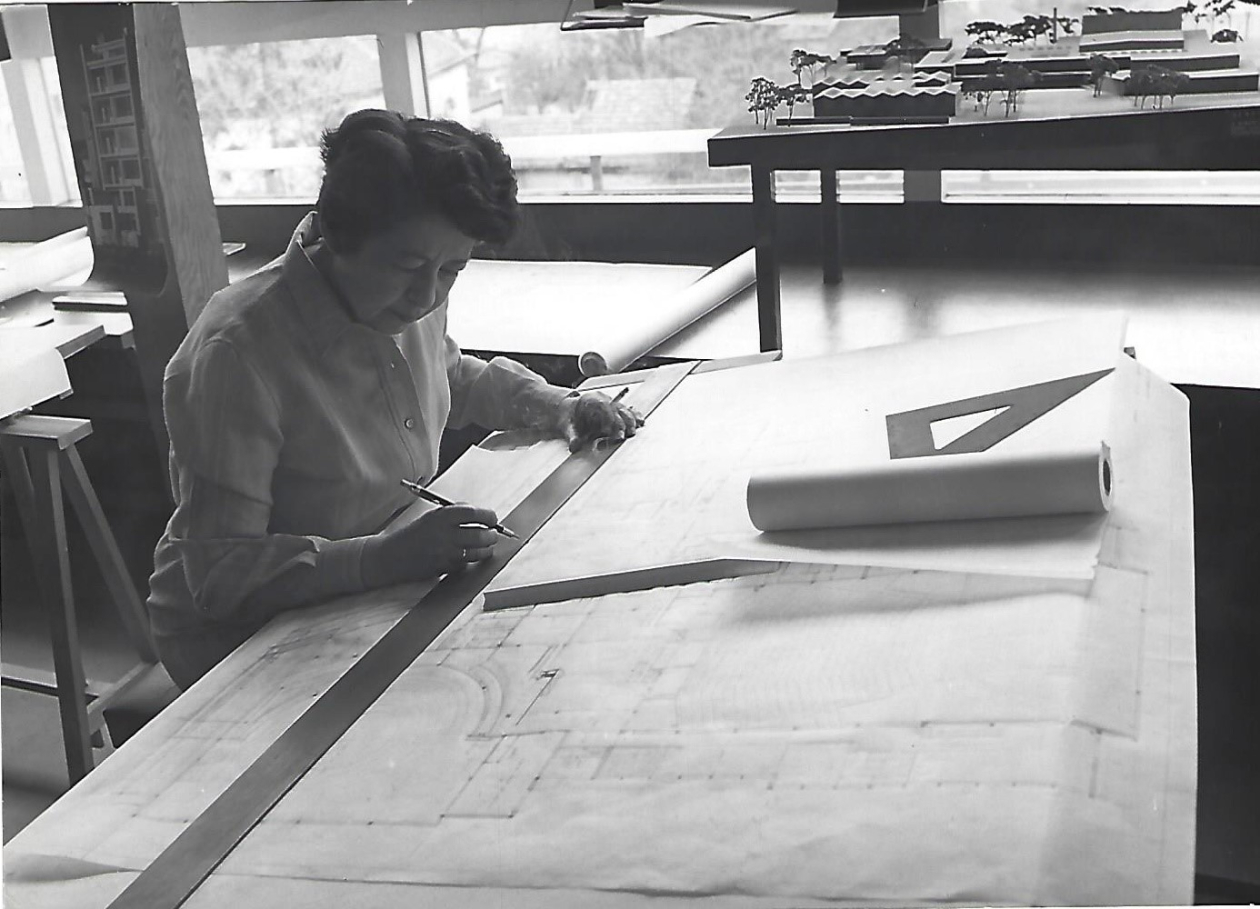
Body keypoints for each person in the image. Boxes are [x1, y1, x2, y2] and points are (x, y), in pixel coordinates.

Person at [146, 110, 640, 689]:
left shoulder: (404, 300)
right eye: (408, 266)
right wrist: (381, 558)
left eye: (453, 269)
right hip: (235, 634)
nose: (427, 295)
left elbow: (449, 374)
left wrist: (557, 406)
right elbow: (222, 574)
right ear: (338, 233)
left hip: (375, 567)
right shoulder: (236, 355)